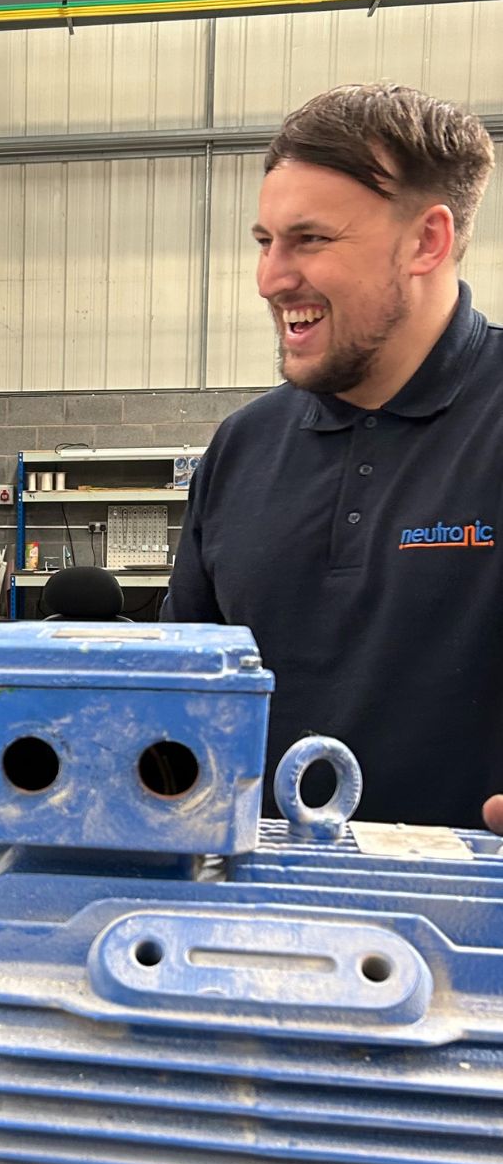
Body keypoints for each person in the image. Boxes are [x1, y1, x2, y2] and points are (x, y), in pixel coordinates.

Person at [165, 81, 503, 830]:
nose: (271, 278)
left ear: (427, 241)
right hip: (253, 915)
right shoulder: (243, 447)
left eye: (310, 240)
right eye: (265, 241)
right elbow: (183, 701)